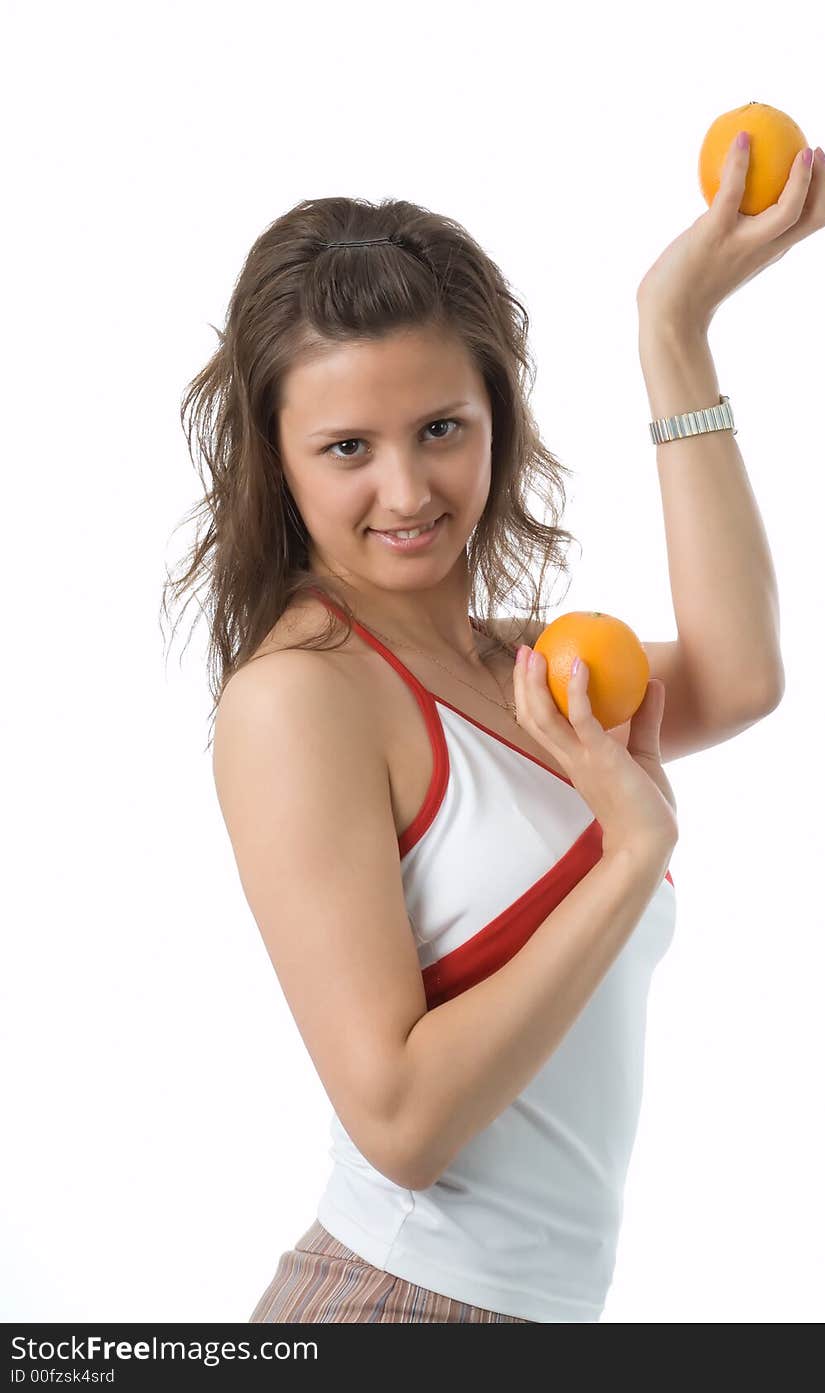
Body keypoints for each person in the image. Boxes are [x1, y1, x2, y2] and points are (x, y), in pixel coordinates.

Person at [165, 200, 679, 1322]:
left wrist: (672, 331)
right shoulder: (301, 697)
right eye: (348, 447)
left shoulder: (517, 667)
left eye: (440, 427)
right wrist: (628, 854)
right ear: (278, 463)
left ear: (498, 416)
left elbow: (743, 675)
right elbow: (398, 1125)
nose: (406, 492)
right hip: (401, 1308)